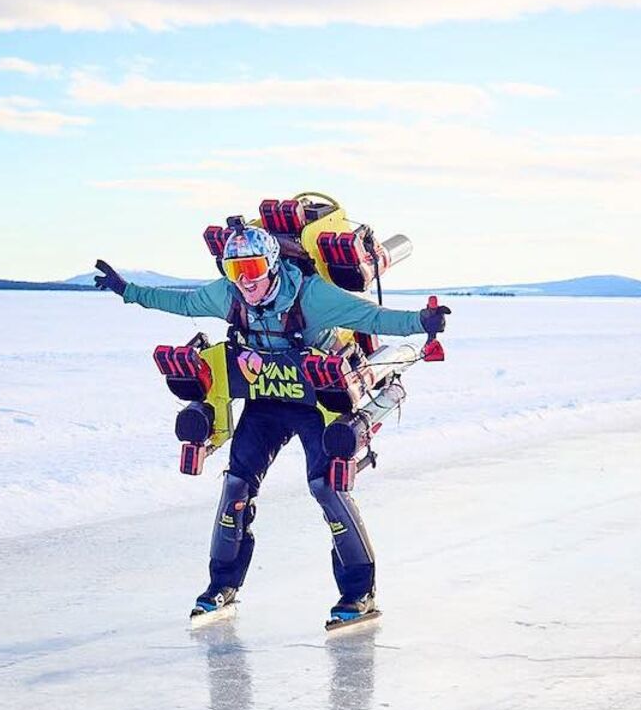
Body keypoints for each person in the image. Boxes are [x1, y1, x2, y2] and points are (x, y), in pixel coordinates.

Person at [92, 224, 449, 624]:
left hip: (317, 403)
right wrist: (129, 292)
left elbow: (371, 317)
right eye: (235, 269)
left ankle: (358, 593)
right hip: (266, 402)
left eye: (254, 267)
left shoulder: (312, 296)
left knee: (327, 489)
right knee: (236, 486)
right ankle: (221, 586)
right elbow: (183, 302)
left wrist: (423, 321)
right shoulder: (229, 295)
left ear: (273, 265)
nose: (245, 280)